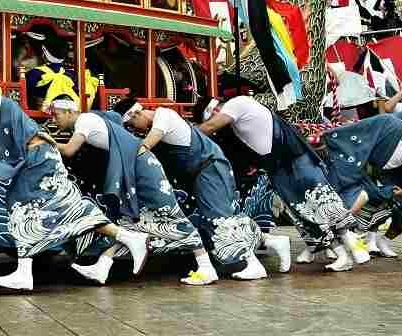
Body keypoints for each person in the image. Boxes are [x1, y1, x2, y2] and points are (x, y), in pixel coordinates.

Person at [0, 84, 147, 291]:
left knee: (26, 209)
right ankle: (127, 238)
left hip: (38, 158)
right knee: (47, 210)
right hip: (38, 158)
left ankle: (25, 273)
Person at [114, 97, 290, 279]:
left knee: (219, 217)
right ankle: (271, 241)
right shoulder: (157, 122)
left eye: (132, 125)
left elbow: (146, 147)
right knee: (218, 218)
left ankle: (251, 264)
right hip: (202, 173)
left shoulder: (163, 117)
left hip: (210, 168)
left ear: (136, 114)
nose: (135, 130)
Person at [197, 95, 370, 271]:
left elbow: (211, 126)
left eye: (213, 115)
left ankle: (352, 242)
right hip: (278, 169)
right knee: (304, 215)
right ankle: (342, 255)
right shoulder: (234, 126)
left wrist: (191, 134)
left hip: (295, 158)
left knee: (322, 201)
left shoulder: (237, 103)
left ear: (216, 109)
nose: (215, 119)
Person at [50, 98, 211, 285]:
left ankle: (206, 266)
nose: (54, 120)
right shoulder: (90, 120)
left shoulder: (85, 120)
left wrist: (44, 140)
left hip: (143, 167)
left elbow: (69, 150)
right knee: (126, 220)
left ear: (70, 112)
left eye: (56, 115)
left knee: (171, 214)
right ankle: (102, 266)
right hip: (135, 166)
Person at [322, 111, 402, 258]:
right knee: (333, 195)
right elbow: (360, 127)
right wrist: (327, 133)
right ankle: (331, 243)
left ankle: (382, 241)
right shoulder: (388, 122)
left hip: (382, 180)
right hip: (356, 165)